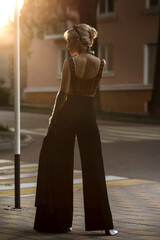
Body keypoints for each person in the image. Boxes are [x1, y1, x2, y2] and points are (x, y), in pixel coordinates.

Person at [33, 23, 118, 236]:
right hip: (88, 113)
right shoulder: (101, 63)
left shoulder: (70, 62)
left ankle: (60, 222)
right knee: (94, 166)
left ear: (78, 41)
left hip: (68, 113)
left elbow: (62, 95)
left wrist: (53, 117)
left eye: (69, 40)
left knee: (60, 165)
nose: (67, 44)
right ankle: (106, 225)